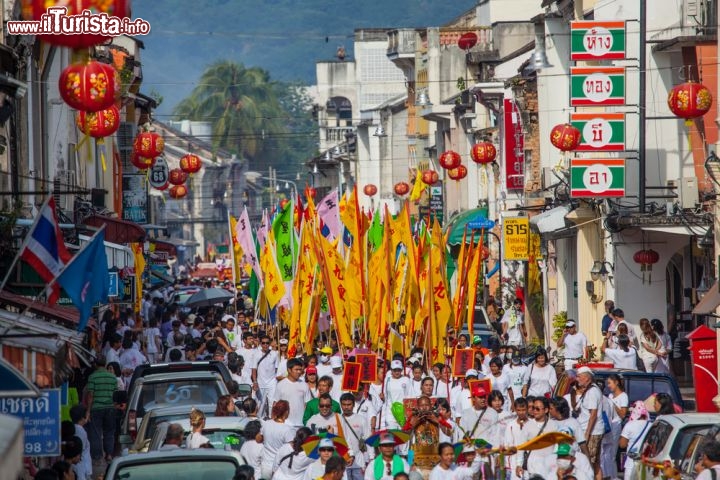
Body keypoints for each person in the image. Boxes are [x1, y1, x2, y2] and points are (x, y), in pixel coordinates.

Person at [571, 367, 604, 479]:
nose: (577, 379)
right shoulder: (589, 390)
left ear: (586, 378)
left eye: (579, 377)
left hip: (592, 432)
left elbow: (593, 415)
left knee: (589, 461)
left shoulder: (592, 391)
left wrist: (587, 434)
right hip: (587, 430)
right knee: (595, 463)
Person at [84, 356, 118, 463]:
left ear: (95, 365)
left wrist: (88, 411)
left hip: (96, 408)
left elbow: (90, 395)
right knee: (109, 432)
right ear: (105, 364)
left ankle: (97, 456)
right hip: (110, 408)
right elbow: (115, 394)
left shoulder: (92, 377)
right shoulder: (113, 377)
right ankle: (108, 455)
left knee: (95, 433)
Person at [337, 393, 370, 480]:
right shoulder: (337, 420)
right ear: (340, 405)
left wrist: (368, 459)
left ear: (354, 404)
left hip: (359, 462)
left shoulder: (361, 419)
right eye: (344, 404)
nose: (346, 407)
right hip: (343, 462)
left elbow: (367, 439)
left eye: (349, 404)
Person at [601, 374, 628, 480]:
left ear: (616, 382)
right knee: (605, 453)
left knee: (612, 453)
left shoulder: (623, 396)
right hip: (609, 425)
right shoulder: (611, 395)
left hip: (616, 425)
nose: (608, 386)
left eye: (610, 383)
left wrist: (612, 404)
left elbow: (623, 414)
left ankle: (613, 476)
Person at [261, 400, 295, 479]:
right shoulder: (288, 430)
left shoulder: (267, 424)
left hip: (265, 467)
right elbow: (292, 448)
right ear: (286, 412)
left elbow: (259, 439)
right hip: (279, 468)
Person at [619, 401, 652, 480]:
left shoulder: (629, 425)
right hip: (646, 463)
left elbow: (622, 444)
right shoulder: (651, 425)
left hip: (631, 462)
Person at [275, 358, 312, 427]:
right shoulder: (280, 385)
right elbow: (276, 404)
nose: (299, 372)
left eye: (300, 369)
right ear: (289, 370)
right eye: (296, 369)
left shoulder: (304, 385)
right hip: (285, 424)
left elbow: (307, 405)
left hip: (301, 424)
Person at [254, 334, 280, 418]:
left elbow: (276, 368)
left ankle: (271, 419)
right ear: (260, 344)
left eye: (267, 343)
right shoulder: (256, 354)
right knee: (260, 404)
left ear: (269, 344)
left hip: (272, 382)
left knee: (272, 403)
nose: (265, 345)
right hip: (260, 382)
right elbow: (254, 369)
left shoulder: (275, 354)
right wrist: (255, 382)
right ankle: (259, 420)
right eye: (263, 343)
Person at [69, 405, 91, 480]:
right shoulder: (80, 431)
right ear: (82, 417)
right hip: (81, 468)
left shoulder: (74, 428)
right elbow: (80, 451)